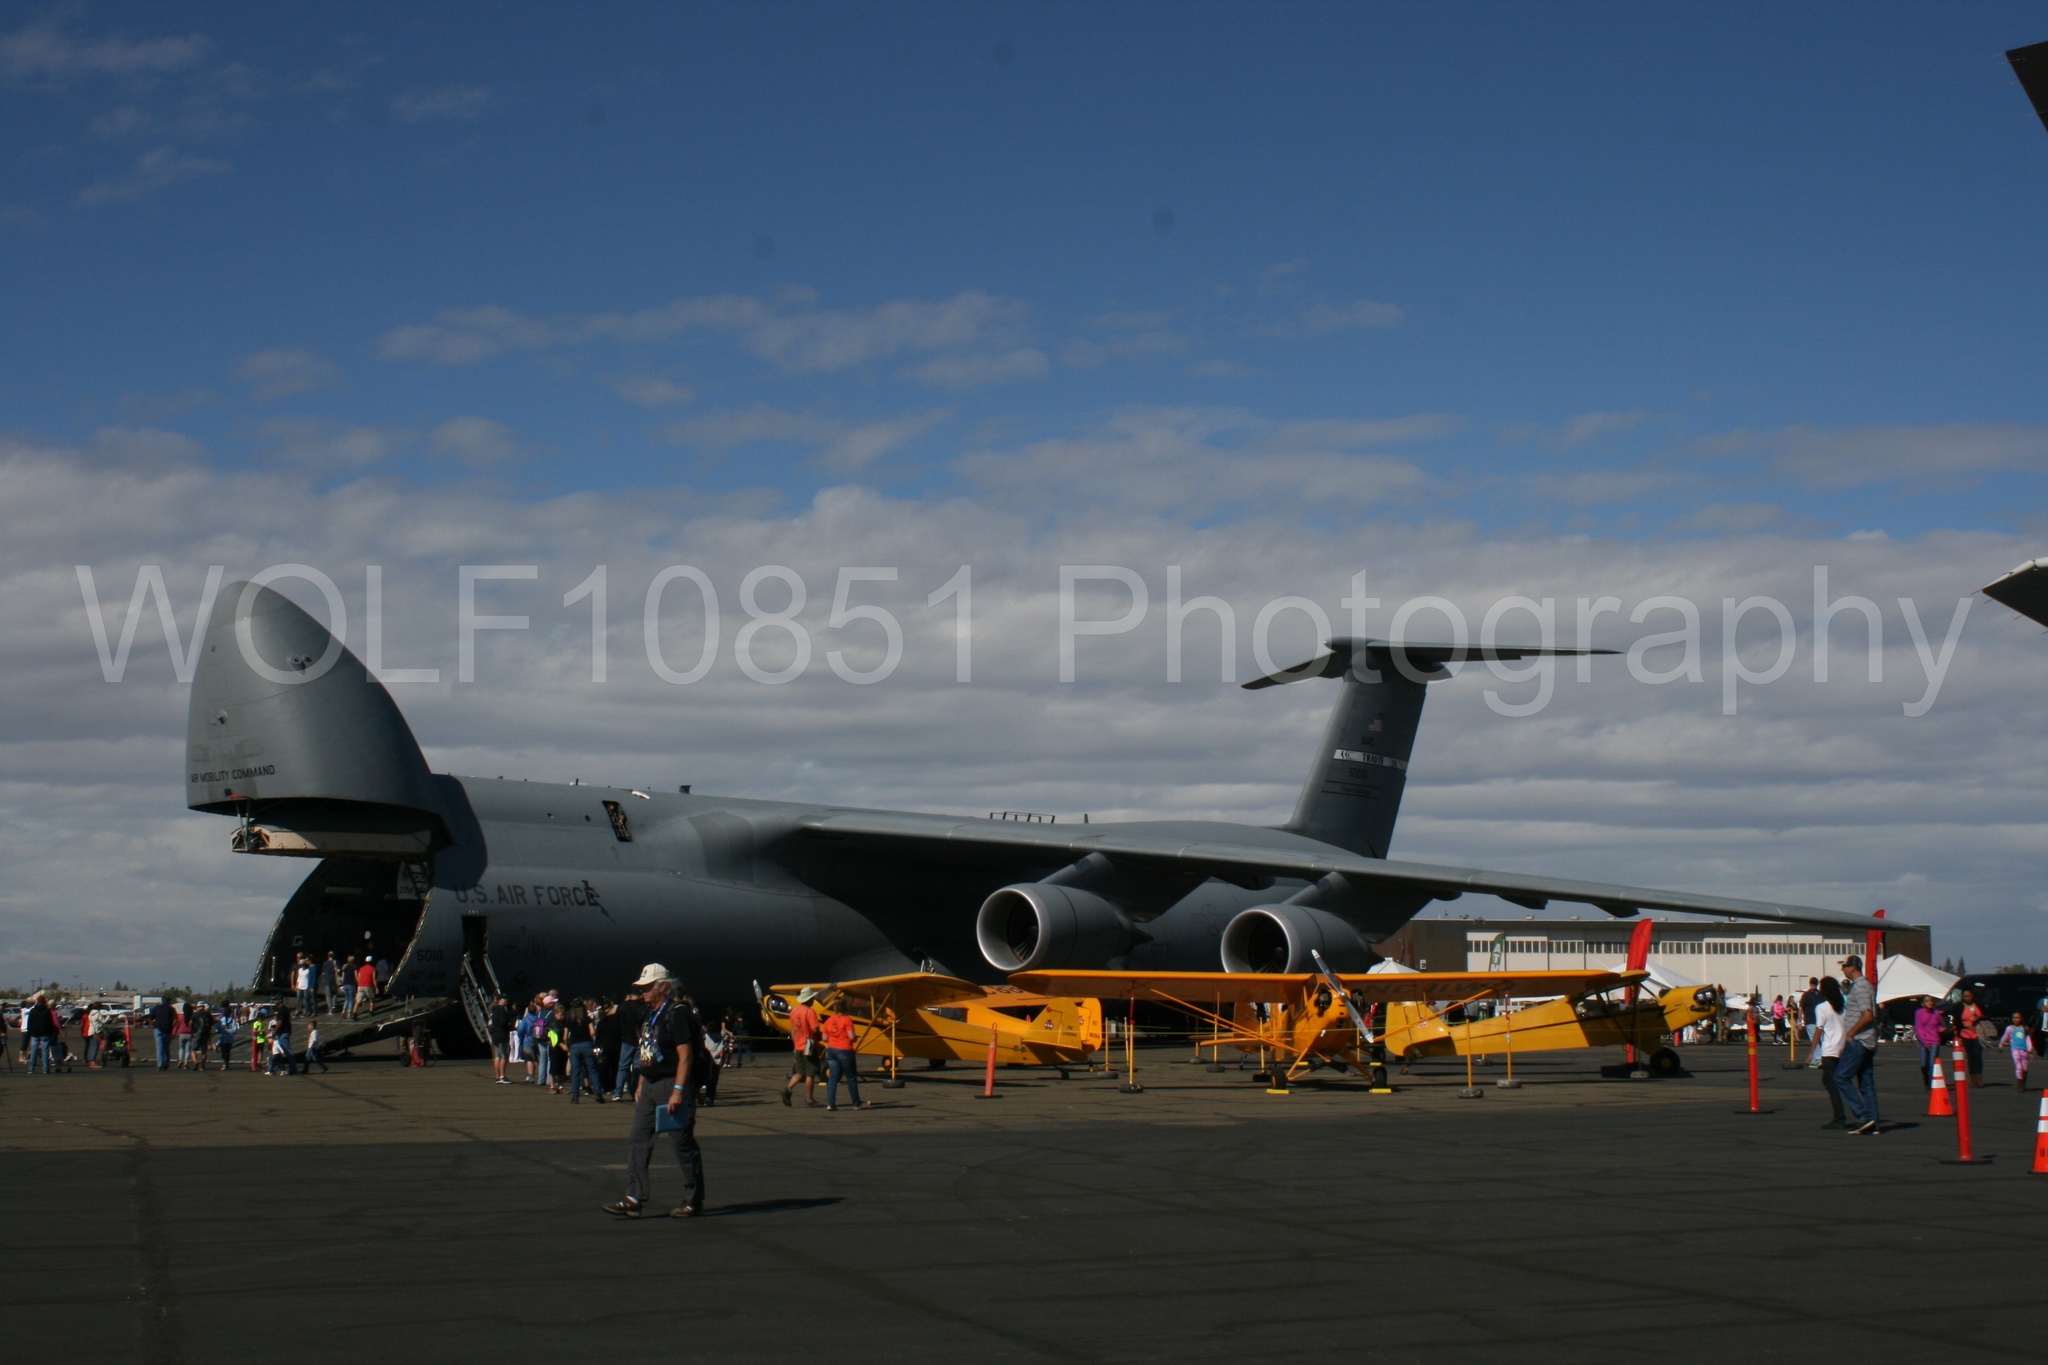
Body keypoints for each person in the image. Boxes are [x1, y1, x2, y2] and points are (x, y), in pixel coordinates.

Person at [604, 964, 704, 1219]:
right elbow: (645, 1049)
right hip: (650, 1085)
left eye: (647, 987)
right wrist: (640, 1082)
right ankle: (633, 1196)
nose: (643, 992)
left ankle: (693, 1198)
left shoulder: (677, 1013)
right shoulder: (649, 1013)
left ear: (662, 986)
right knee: (638, 1138)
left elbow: (686, 1055)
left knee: (680, 1143)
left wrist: (679, 1090)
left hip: (672, 1083)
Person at [1833, 955, 1881, 1134]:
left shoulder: (1860, 987)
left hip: (1859, 1040)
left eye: (1845, 966)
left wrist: (1851, 1033)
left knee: (1841, 1077)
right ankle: (1873, 1122)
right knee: (1866, 1082)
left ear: (1853, 968)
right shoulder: (1862, 986)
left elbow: (1867, 1015)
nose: (1843, 969)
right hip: (1868, 1040)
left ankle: (1863, 1116)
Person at [1812, 976, 1848, 1128]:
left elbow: (1818, 1031)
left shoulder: (1822, 1008)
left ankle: (1839, 1116)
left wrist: (1811, 1053)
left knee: (1830, 1082)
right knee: (1838, 1081)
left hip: (1829, 1050)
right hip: (1843, 1048)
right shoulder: (1843, 1006)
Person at [821, 1001, 869, 1111]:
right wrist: (855, 1038)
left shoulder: (829, 1020)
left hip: (832, 1050)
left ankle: (831, 1103)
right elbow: (851, 1037)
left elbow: (824, 1038)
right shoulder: (847, 1019)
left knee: (833, 1078)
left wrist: (834, 1038)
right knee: (851, 1077)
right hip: (845, 1050)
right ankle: (856, 1103)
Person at [782, 987, 824, 1108]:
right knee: (811, 1073)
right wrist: (819, 1037)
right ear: (809, 999)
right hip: (809, 1044)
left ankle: (788, 1089)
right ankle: (809, 1099)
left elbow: (793, 1030)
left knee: (800, 1072)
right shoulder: (810, 1012)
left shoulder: (794, 1012)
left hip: (798, 1044)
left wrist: (795, 1043)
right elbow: (815, 1029)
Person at [563, 1002, 603, 1103]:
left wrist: (568, 1047)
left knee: (576, 1072)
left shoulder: (569, 1020)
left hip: (575, 1047)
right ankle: (598, 1094)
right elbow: (592, 1032)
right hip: (586, 1045)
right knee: (592, 1069)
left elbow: (564, 1037)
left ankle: (575, 1097)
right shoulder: (587, 1019)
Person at [1912, 995, 1944, 1087]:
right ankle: (1926, 1078)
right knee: (1923, 1064)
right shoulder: (1919, 1013)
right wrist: (1925, 1043)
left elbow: (1938, 1025)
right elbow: (1919, 1029)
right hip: (1924, 1041)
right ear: (1922, 1004)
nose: (1929, 1003)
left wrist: (1941, 1029)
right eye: (1927, 1001)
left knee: (1932, 1064)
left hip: (1935, 1040)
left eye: (1931, 1001)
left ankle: (1931, 1084)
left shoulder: (1937, 1013)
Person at [1957, 989, 1986, 1088]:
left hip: (1978, 1034)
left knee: (1978, 1056)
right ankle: (1973, 1079)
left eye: (1969, 995)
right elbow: (1956, 1021)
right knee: (1971, 1057)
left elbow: (1987, 1015)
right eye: (1965, 996)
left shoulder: (1978, 1005)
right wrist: (1965, 1025)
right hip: (1966, 1034)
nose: (1967, 998)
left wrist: (1978, 1018)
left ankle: (1979, 1079)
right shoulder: (1959, 1006)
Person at [24, 993, 58, 1075]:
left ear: (37, 1002)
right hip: (45, 1033)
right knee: (45, 1051)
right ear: (44, 1002)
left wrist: (29, 1032)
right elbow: (50, 1023)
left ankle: (31, 1068)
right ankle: (46, 1068)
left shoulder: (33, 1011)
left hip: (34, 1033)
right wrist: (51, 1033)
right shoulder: (47, 1011)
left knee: (34, 1050)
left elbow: (29, 1023)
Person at [1999, 1013, 2034, 1091]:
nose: (2015, 1019)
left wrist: (2030, 1050)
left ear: (2021, 1019)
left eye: (2017, 1018)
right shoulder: (2010, 1028)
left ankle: (2023, 1083)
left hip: (2024, 1050)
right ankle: (2020, 1086)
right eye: (2014, 1018)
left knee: (2024, 1068)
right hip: (2015, 1049)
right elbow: (2005, 1036)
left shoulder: (2025, 1028)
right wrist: (2001, 1045)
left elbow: (2028, 1040)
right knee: (2018, 1067)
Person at [488, 995, 513, 1084]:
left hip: (495, 1034)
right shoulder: (502, 1010)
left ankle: (498, 1076)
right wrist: (508, 1024)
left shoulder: (493, 1010)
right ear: (499, 1001)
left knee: (497, 1056)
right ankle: (502, 1076)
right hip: (501, 1034)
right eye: (504, 999)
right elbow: (502, 1022)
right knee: (504, 1056)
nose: (506, 1000)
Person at [148, 996, 175, 1071]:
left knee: (159, 1047)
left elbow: (150, 1018)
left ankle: (160, 1064)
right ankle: (166, 1062)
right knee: (166, 1047)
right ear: (169, 1001)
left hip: (158, 1029)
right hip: (168, 1030)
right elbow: (175, 1019)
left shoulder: (157, 1008)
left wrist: (153, 1025)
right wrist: (172, 1026)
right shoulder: (171, 1009)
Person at [216, 1005, 237, 1070]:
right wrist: (230, 1032)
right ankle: (227, 1063)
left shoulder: (221, 1020)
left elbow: (218, 1029)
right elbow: (234, 1029)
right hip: (230, 1038)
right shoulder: (233, 1020)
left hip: (223, 1038)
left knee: (223, 1051)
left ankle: (224, 1063)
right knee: (228, 1051)